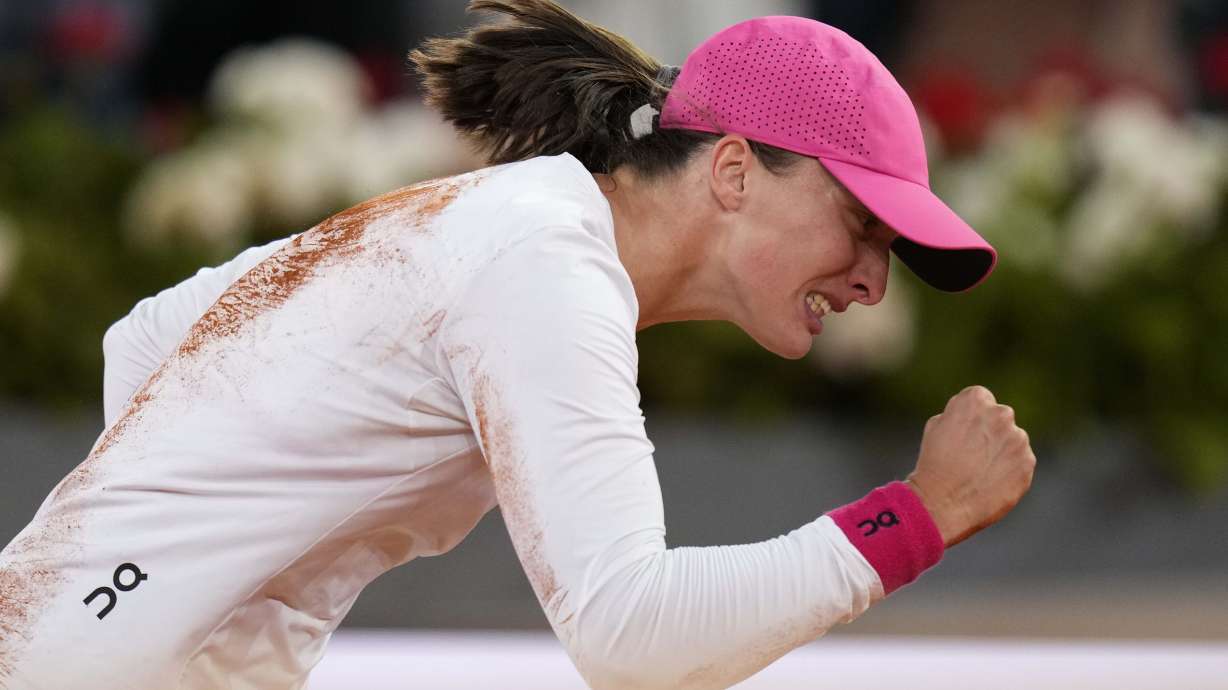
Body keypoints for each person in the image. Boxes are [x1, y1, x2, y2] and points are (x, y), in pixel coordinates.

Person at [0, 1, 1035, 688]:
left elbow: (147, 336)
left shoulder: (520, 227)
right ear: (731, 172)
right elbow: (634, 643)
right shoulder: (544, 264)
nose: (871, 280)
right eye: (862, 225)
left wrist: (185, 587)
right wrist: (921, 515)